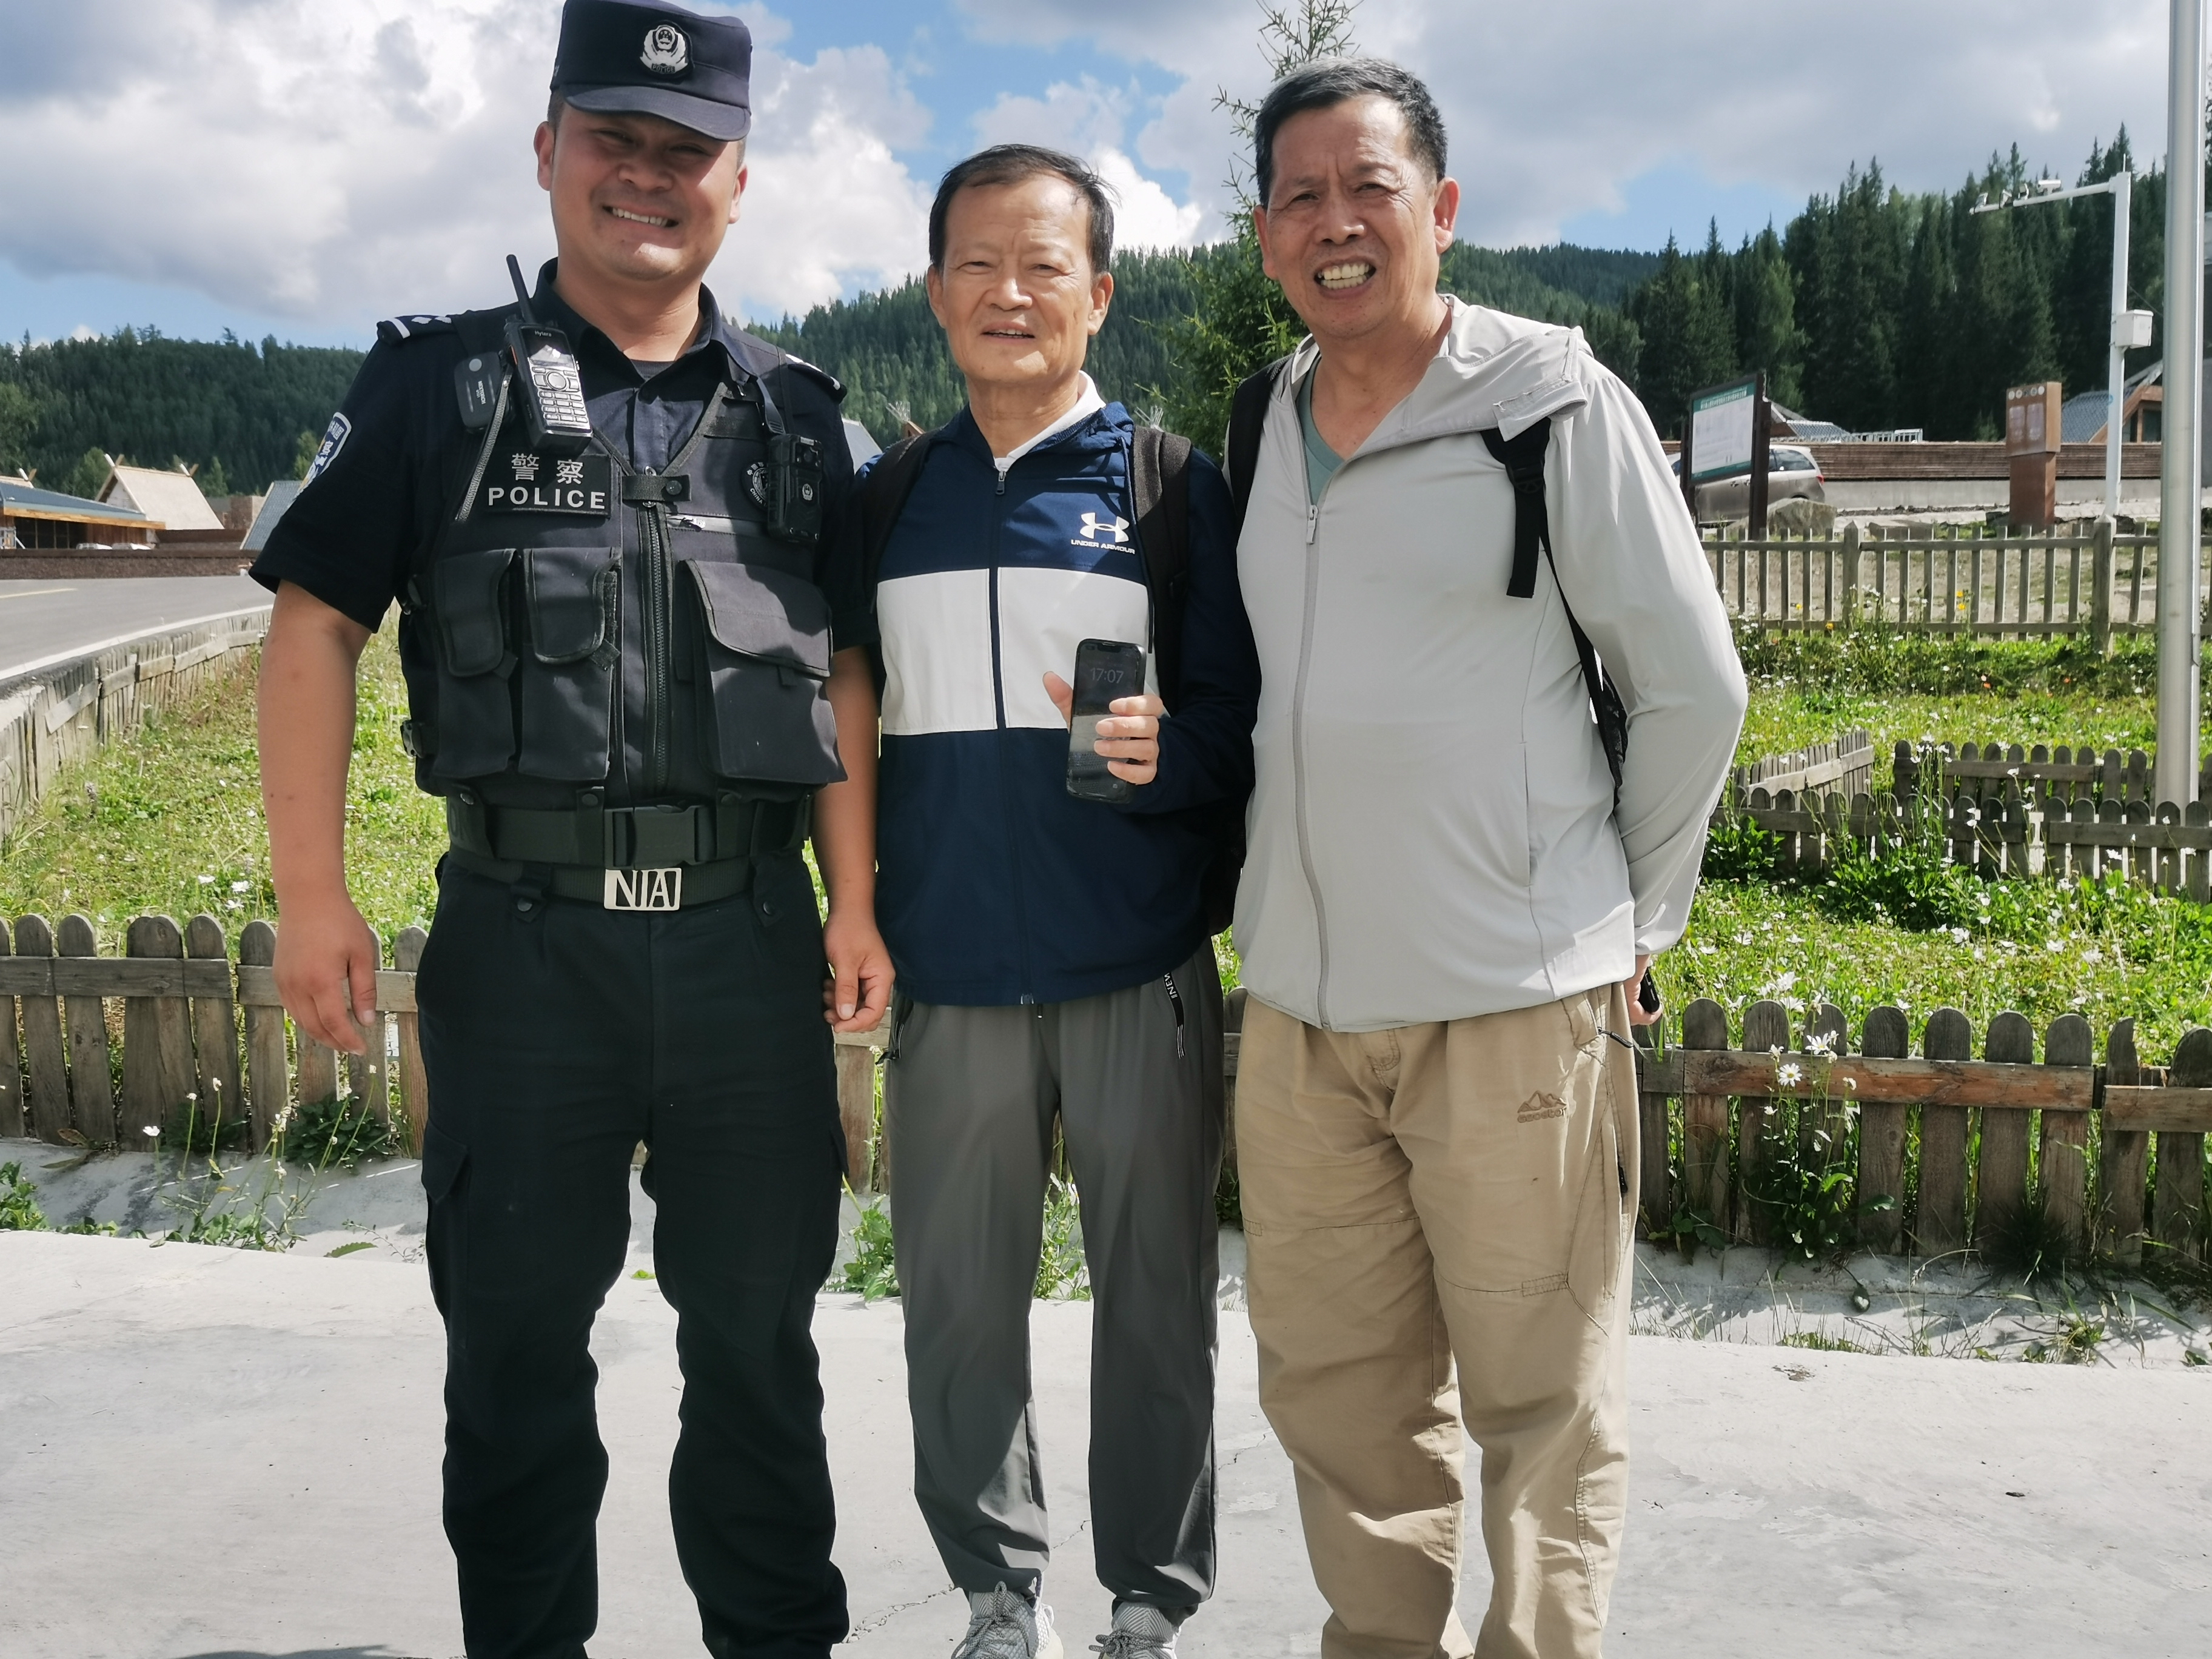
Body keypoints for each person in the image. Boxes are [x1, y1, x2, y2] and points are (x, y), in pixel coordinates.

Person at [251, 4, 890, 1654]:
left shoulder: (803, 420)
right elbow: (316, 620)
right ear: (548, 152)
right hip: (524, 956)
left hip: (749, 952)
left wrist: (854, 899)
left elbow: (844, 672)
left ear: (739, 182)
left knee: (759, 1358)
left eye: (687, 151)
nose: (647, 177)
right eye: (615, 139)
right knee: (516, 1361)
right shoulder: (437, 388)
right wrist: (312, 895)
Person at [1226, 59, 1746, 1659]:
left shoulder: (1550, 404)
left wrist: (1630, 922)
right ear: (1266, 233)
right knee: (1341, 1403)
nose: (1335, 223)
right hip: (1304, 1016)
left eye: (1368, 187)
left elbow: (1694, 689)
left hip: (1515, 1006)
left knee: (1541, 1408)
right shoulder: (1258, 423)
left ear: (1440, 209)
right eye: (1300, 196)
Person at [858, 145, 1259, 1659]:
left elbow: (1238, 724)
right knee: (956, 1305)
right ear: (935, 290)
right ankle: (993, 1593)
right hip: (950, 966)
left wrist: (1170, 755)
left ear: (1098, 293)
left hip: (1136, 965)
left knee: (1155, 1299)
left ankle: (1149, 1599)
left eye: (1043, 267)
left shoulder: (1171, 488)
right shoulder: (890, 499)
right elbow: (845, 710)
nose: (1009, 294)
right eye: (977, 264)